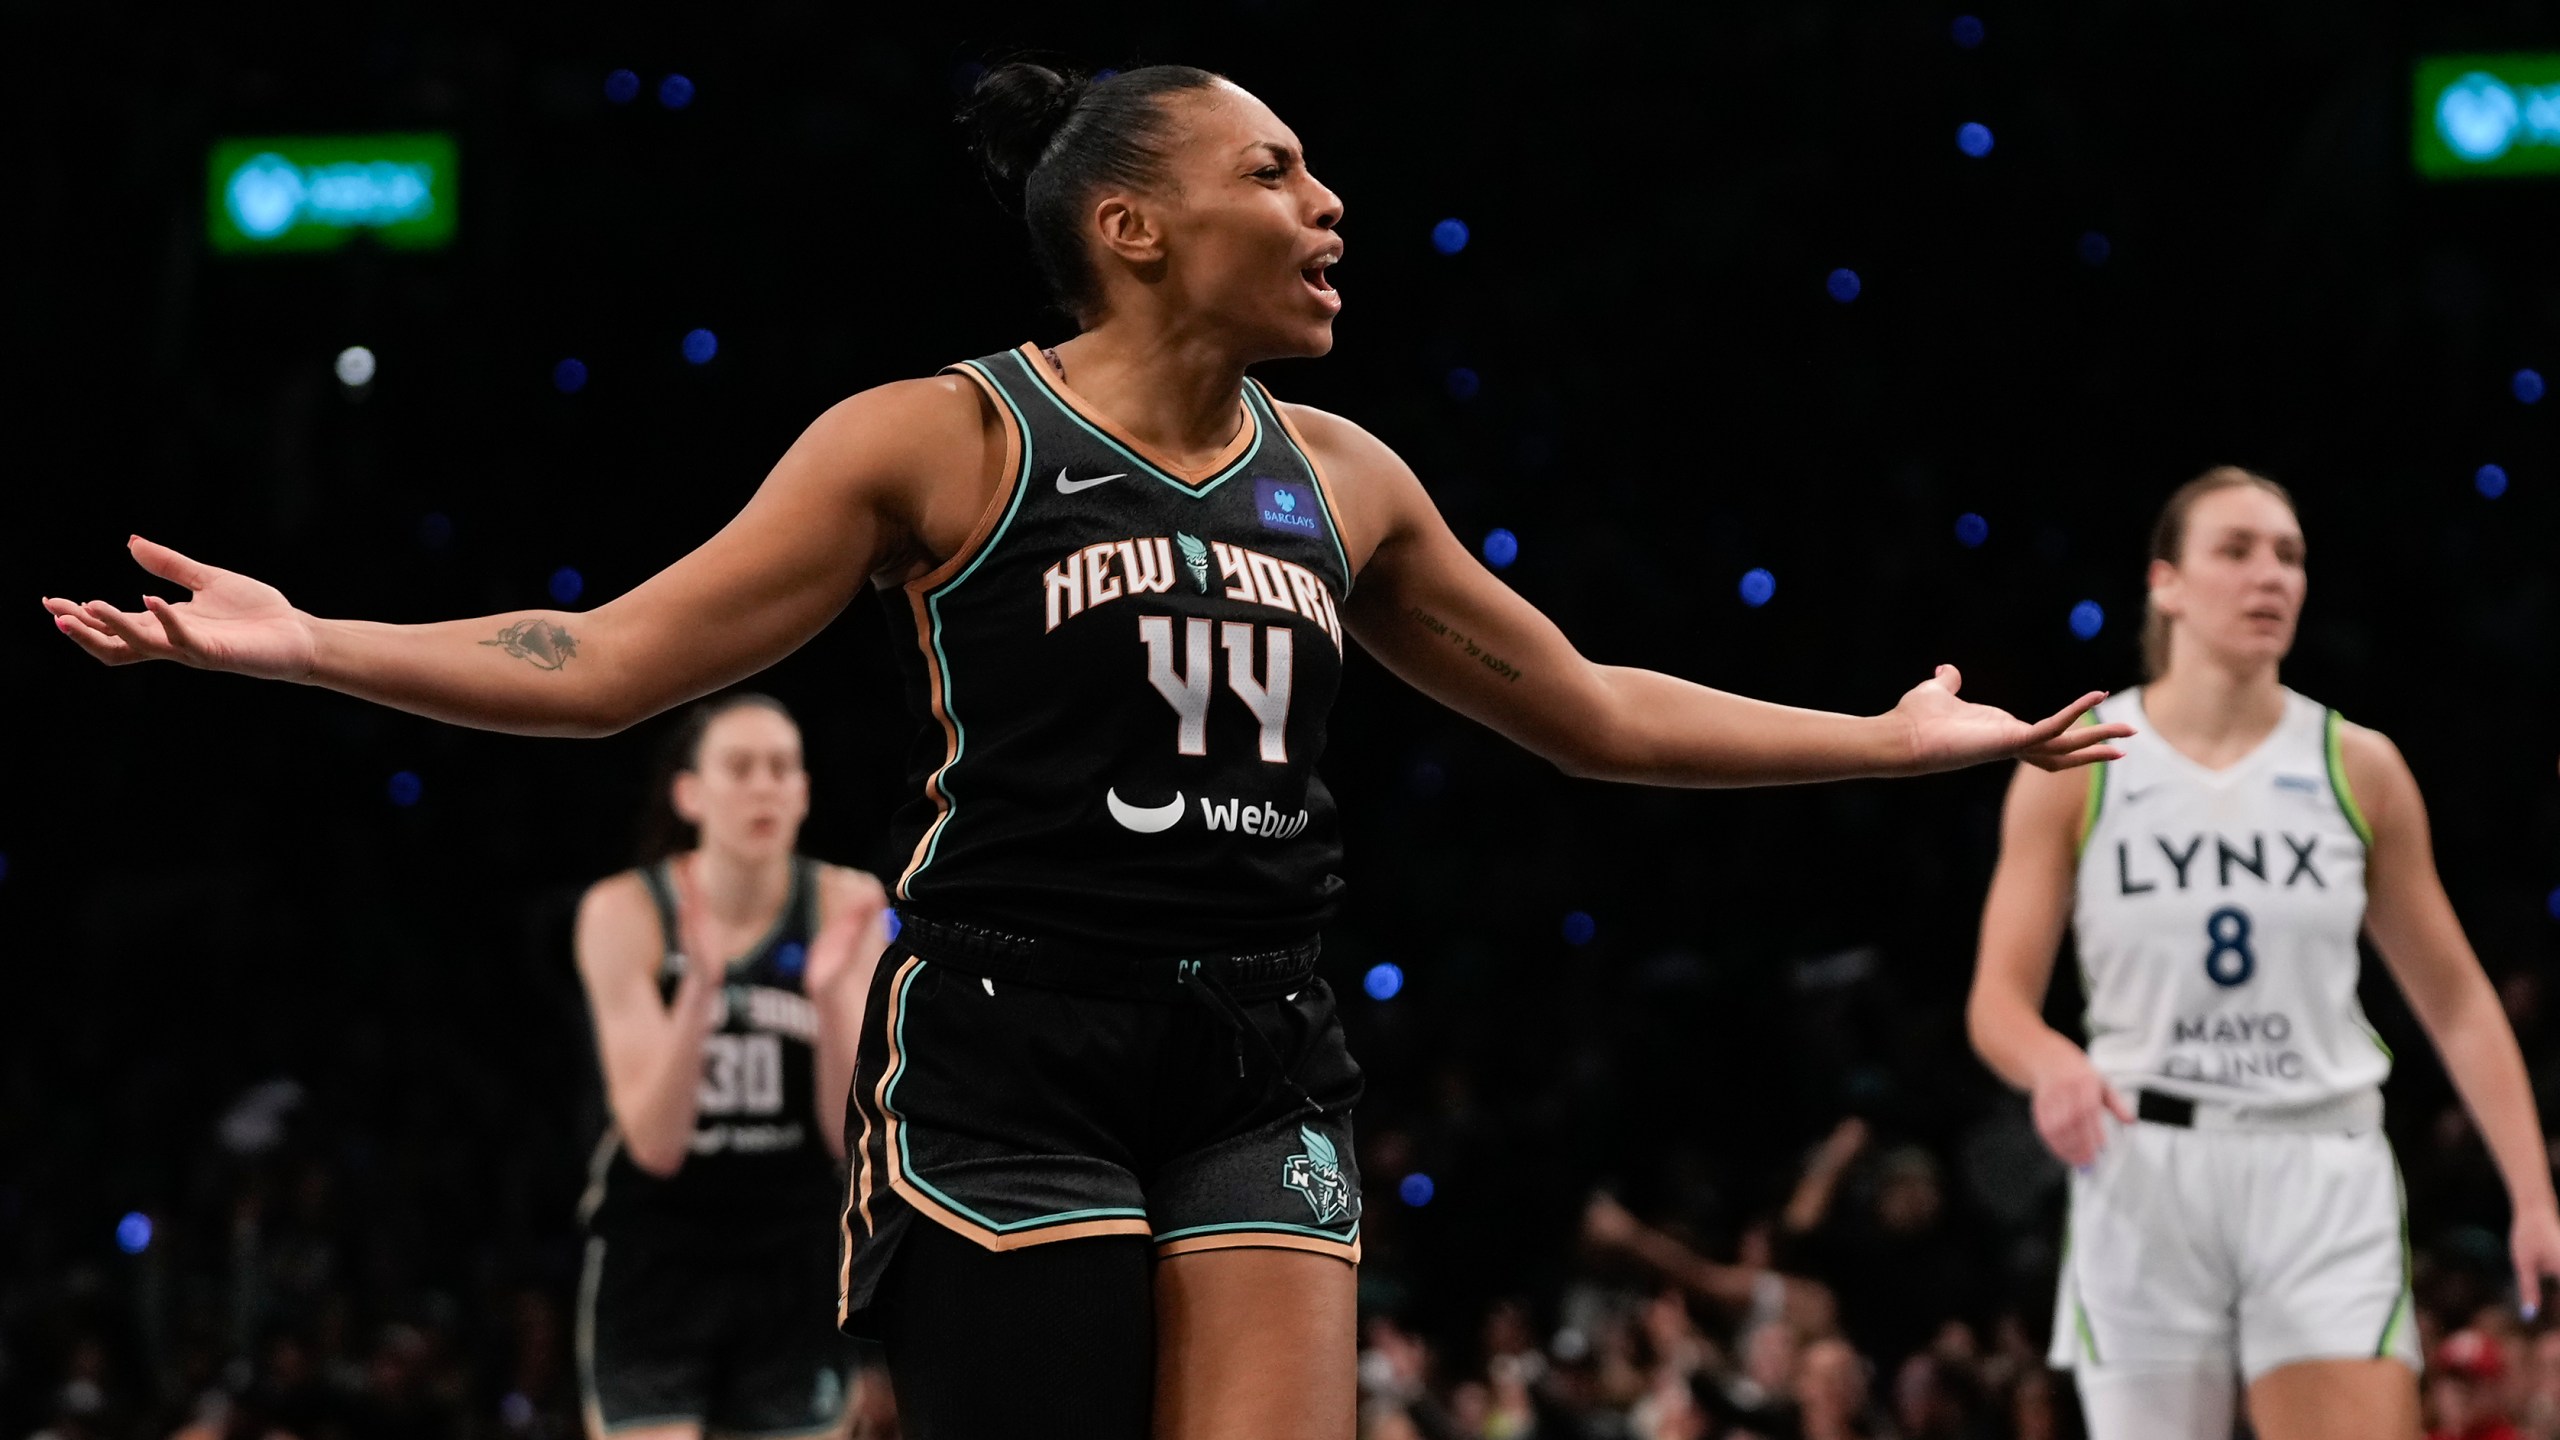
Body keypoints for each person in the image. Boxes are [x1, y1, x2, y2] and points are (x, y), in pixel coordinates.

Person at [47, 61, 2128, 1439]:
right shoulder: (937, 437)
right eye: (1273, 171)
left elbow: (1584, 711)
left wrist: (1880, 739)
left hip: (1257, 1051)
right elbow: (602, 661)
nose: (1327, 203)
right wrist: (304, 639)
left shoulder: (1348, 480)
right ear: (1129, 226)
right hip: (1003, 1048)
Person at [1966, 466, 2560, 1440]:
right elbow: (1996, 1002)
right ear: (2166, 583)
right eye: (2236, 552)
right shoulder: (2076, 762)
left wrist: (2531, 1197)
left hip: (2317, 1160)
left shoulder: (2356, 764)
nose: (2270, 577)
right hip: (2143, 1164)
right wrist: (2051, 1062)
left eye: (2288, 556)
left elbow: (2454, 1000)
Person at [573, 693, 890, 1440]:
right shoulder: (626, 911)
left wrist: (827, 995)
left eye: (782, 768)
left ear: (805, 791)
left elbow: (851, 1138)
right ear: (689, 793)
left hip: (794, 1254)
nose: (764, 786)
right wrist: (703, 990)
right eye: (740, 767)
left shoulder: (847, 904)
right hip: (656, 1256)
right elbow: (655, 1143)